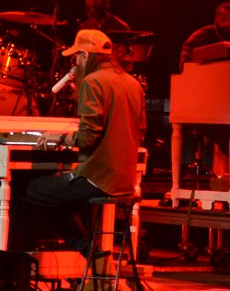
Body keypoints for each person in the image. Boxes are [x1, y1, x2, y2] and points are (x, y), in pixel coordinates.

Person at [25, 30, 145, 253]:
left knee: (32, 190)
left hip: (99, 178)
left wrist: (58, 138)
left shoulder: (92, 82)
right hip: (125, 181)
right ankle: (90, 253)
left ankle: (85, 251)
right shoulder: (133, 83)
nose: (75, 63)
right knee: (59, 196)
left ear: (86, 56)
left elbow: (88, 137)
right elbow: (141, 130)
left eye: (76, 57)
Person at [179, 1, 230, 68]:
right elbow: (185, 61)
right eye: (223, 20)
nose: (228, 24)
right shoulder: (202, 36)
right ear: (215, 20)